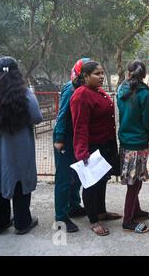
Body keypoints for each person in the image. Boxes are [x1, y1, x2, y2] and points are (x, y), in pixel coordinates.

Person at [0, 56, 43, 236]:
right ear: (17, 72)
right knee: (19, 179)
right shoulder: (25, 94)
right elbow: (36, 117)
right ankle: (22, 223)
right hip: (19, 148)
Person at [70, 60, 122, 236]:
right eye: (96, 74)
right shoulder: (81, 95)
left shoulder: (98, 91)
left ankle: (101, 211)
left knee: (102, 180)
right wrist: (82, 152)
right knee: (91, 185)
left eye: (102, 73)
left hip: (105, 145)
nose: (101, 77)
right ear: (85, 76)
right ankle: (93, 220)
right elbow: (80, 126)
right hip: (92, 147)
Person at [117, 60, 149, 233]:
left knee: (135, 180)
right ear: (144, 75)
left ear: (128, 72)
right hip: (139, 142)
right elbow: (148, 124)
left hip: (125, 141)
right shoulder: (144, 94)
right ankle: (128, 220)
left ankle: (136, 211)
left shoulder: (121, 90)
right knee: (134, 183)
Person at [53, 58, 89, 233]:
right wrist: (59, 139)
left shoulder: (83, 88)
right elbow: (62, 115)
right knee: (64, 178)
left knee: (75, 174)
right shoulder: (70, 88)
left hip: (75, 137)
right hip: (65, 138)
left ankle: (74, 205)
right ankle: (61, 217)